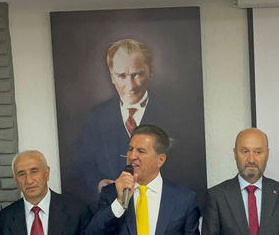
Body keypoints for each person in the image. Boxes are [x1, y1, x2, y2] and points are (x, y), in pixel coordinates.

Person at [70, 38, 207, 208]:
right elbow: (82, 167)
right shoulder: (96, 117)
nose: (130, 85)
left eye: (137, 74)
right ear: (111, 76)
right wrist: (98, 184)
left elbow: (192, 168)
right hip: (112, 213)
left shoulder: (177, 114)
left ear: (151, 72)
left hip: (163, 212)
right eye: (121, 76)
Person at [85, 124, 202, 235]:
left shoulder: (183, 199)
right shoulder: (111, 193)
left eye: (141, 151)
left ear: (160, 160)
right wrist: (119, 203)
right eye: (130, 149)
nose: (132, 156)